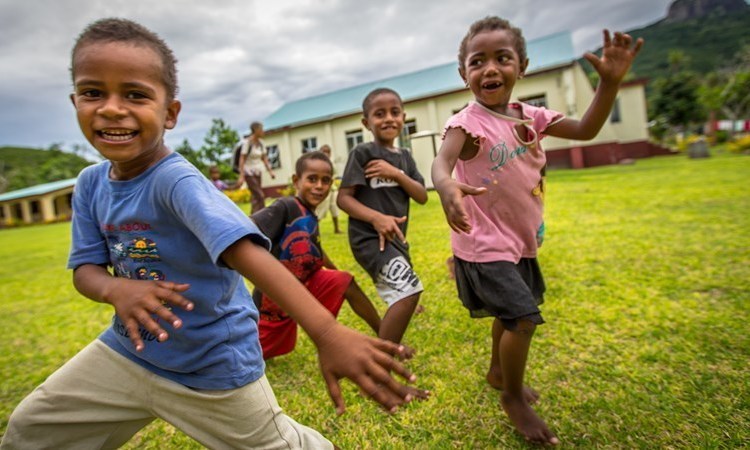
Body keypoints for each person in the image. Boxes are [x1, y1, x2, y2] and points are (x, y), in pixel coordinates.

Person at [0, 18, 420, 450]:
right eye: (93, 92)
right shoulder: (90, 184)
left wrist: (328, 334)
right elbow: (85, 269)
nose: (110, 108)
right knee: (32, 431)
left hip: (213, 365)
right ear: (74, 102)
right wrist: (115, 290)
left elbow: (249, 255)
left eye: (135, 94)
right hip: (128, 352)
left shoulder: (176, 181)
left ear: (170, 113)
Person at [431, 16, 643, 445]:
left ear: (522, 66)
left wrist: (609, 85)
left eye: (502, 58)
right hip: (482, 241)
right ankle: (512, 397)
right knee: (523, 319)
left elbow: (586, 130)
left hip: (521, 239)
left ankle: (496, 370)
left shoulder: (533, 116)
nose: (489, 68)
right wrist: (445, 185)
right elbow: (442, 163)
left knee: (510, 316)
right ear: (464, 74)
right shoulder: (465, 123)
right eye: (478, 61)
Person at [252, 151, 383, 359]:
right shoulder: (285, 206)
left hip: (305, 286)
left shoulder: (310, 213)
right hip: (274, 303)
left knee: (346, 281)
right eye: (312, 179)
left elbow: (315, 249)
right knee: (251, 356)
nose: (319, 186)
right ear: (296, 180)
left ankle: (385, 337)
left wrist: (334, 271)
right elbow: (249, 226)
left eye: (325, 180)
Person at [337, 88, 429, 365]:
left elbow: (422, 195)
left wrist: (396, 174)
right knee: (409, 291)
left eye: (395, 112)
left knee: (404, 294)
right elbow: (343, 198)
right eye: (379, 114)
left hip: (397, 240)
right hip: (369, 239)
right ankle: (381, 362)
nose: (389, 119)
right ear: (366, 123)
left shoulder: (405, 158)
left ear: (403, 116)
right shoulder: (363, 153)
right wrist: (376, 218)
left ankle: (386, 347)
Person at [237, 121, 275, 214]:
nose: (263, 131)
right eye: (261, 129)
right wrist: (241, 175)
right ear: (256, 130)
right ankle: (264, 215)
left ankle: (253, 218)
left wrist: (270, 172)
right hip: (248, 173)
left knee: (255, 197)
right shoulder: (247, 143)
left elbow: (264, 159)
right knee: (260, 195)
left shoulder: (261, 143)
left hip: (258, 172)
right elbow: (242, 159)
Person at [314, 144, 342, 233]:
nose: (326, 154)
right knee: (320, 211)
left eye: (328, 152)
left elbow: (335, 176)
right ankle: (314, 230)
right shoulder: (318, 165)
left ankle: (337, 229)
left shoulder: (331, 164)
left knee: (334, 209)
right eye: (324, 152)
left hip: (332, 189)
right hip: (323, 190)